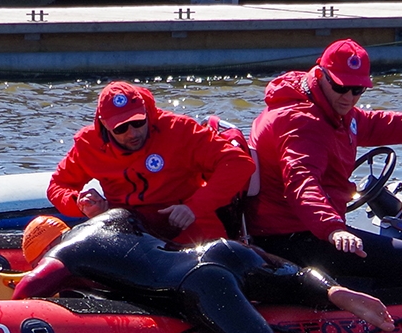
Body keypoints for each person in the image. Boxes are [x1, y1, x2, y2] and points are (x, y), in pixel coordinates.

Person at [12, 209, 395, 333]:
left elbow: (29, 289)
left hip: (198, 284)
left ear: (43, 251)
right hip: (219, 250)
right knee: (291, 279)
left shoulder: (62, 255)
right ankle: (330, 289)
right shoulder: (112, 216)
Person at [247, 38, 402, 289]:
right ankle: (388, 323)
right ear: (322, 75)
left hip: (309, 225)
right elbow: (302, 183)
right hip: (287, 236)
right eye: (342, 87)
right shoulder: (302, 122)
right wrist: (333, 229)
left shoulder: (327, 105)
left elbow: (369, 123)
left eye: (358, 89)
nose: (349, 97)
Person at [46, 81, 255, 245]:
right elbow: (57, 186)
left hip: (185, 221)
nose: (132, 133)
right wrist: (80, 203)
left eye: (138, 122)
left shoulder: (179, 130)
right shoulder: (88, 144)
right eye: (121, 129)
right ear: (105, 128)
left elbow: (239, 163)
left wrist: (195, 207)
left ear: (146, 113)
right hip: (125, 227)